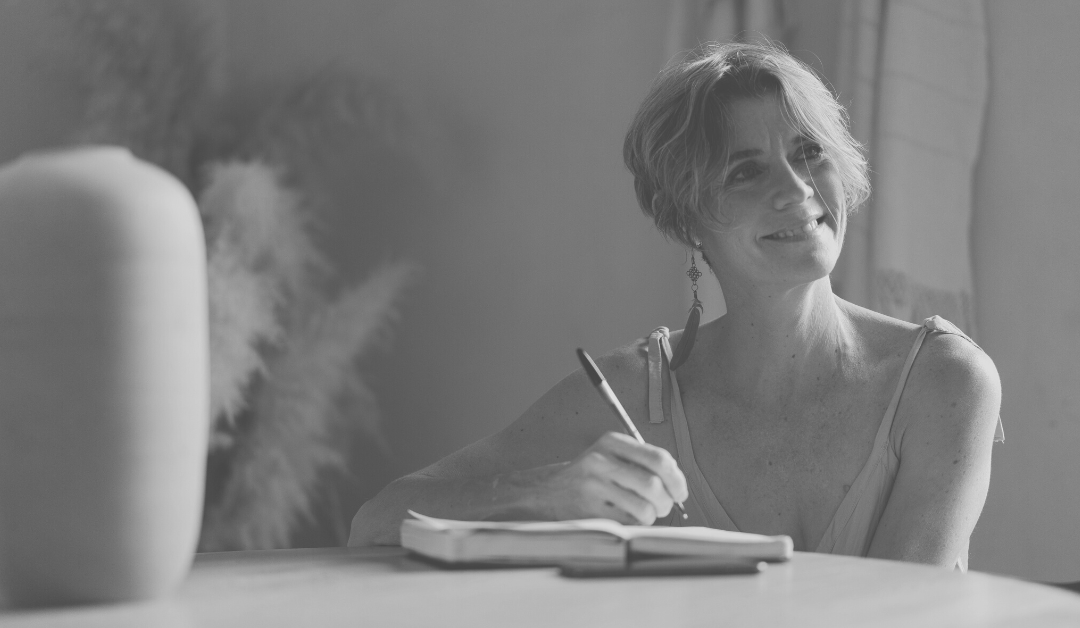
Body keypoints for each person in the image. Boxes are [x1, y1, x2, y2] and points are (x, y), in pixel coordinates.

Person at [348, 42, 1003, 570]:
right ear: (688, 219)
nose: (797, 189)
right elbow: (375, 520)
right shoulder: (636, 392)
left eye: (809, 153)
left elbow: (907, 616)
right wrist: (537, 497)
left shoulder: (945, 382)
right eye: (746, 170)